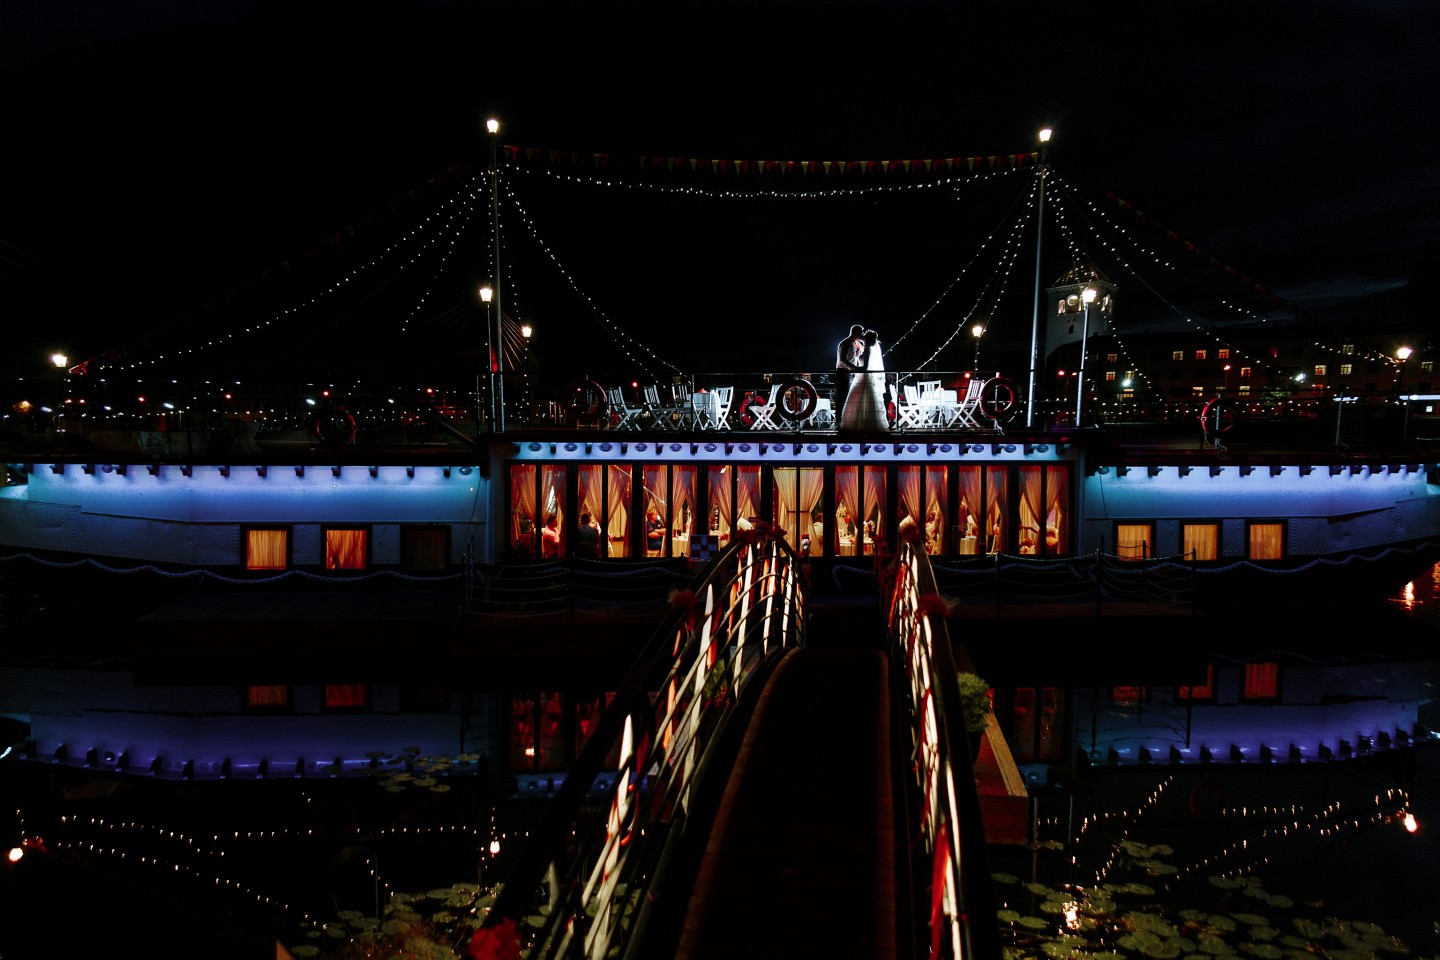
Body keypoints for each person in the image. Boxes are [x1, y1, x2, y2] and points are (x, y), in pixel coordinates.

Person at [839, 328, 889, 432]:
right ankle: (862, 422)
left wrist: (856, 369)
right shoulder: (865, 348)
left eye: (864, 337)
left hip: (863, 376)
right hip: (861, 376)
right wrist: (858, 352)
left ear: (867, 339)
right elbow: (858, 358)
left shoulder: (867, 350)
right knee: (860, 399)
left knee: (860, 398)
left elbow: (865, 367)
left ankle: (860, 423)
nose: (862, 338)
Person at [834, 323, 866, 425]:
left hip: (848, 372)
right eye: (861, 333)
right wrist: (854, 368)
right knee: (842, 396)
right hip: (842, 372)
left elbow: (862, 350)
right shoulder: (845, 343)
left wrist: (860, 347)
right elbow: (842, 358)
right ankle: (838, 421)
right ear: (856, 332)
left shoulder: (854, 343)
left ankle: (843, 419)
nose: (862, 335)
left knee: (846, 396)